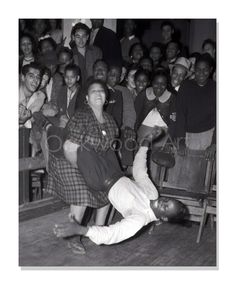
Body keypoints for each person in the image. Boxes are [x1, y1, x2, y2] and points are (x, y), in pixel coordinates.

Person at [54, 127, 187, 245]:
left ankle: (54, 135)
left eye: (166, 208)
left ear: (163, 218)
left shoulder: (139, 219)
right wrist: (147, 141)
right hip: (116, 170)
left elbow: (113, 234)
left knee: (80, 144)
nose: (164, 202)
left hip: (101, 178)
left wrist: (81, 230)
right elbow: (140, 172)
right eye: (168, 201)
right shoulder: (153, 194)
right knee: (102, 135)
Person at [46, 79, 119, 253]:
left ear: (106, 97)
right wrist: (82, 169)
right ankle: (73, 236)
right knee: (83, 192)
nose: (98, 94)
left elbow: (111, 147)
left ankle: (99, 231)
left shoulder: (109, 120)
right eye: (93, 91)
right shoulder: (82, 116)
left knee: (108, 188)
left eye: (101, 91)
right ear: (86, 98)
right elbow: (68, 147)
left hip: (92, 161)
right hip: (67, 160)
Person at [176, 54, 216, 159]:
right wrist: (181, 140)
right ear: (194, 69)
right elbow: (180, 114)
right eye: (198, 69)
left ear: (211, 70)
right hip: (186, 135)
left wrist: (214, 144)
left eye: (205, 69)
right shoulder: (186, 85)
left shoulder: (215, 88)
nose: (201, 73)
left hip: (208, 136)